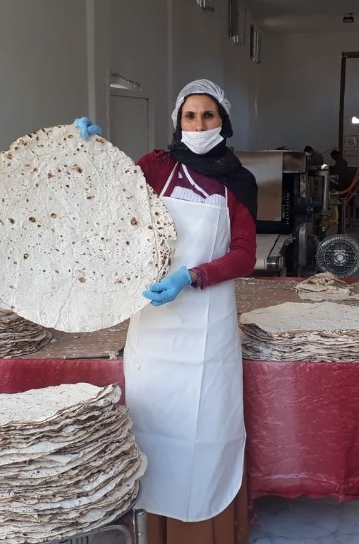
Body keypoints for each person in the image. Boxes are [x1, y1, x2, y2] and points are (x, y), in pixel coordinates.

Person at [74, 78, 257, 544]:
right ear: (178, 120)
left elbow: (243, 255)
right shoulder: (156, 167)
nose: (198, 124)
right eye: (190, 116)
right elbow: (117, 200)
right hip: (153, 322)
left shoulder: (237, 180)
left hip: (207, 323)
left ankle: (208, 527)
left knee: (206, 423)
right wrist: (92, 152)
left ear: (224, 121)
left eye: (208, 115)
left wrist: (190, 277)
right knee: (153, 420)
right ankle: (152, 525)